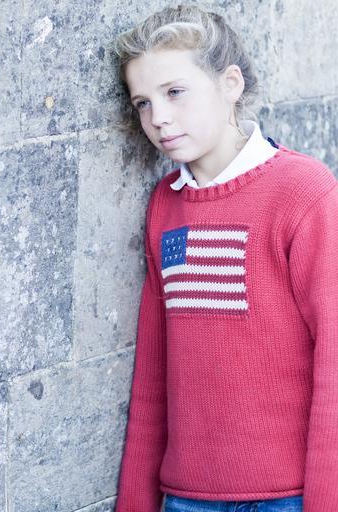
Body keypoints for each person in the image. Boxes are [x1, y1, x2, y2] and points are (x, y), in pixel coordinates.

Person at [113, 5, 338, 512]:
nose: (158, 117)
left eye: (175, 92)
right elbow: (152, 375)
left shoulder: (303, 192)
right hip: (186, 499)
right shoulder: (166, 204)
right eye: (143, 102)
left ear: (230, 83)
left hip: (286, 499)